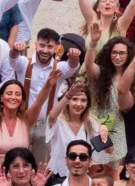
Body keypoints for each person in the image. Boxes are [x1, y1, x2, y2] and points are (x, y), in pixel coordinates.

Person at [0, 72, 61, 186]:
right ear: (1, 98)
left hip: (20, 174)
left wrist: (48, 85)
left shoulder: (26, 120)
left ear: (22, 99)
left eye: (17, 94)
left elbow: (39, 103)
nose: (13, 97)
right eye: (9, 93)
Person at [10, 28, 81, 164]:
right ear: (36, 45)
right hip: (22, 122)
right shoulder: (24, 63)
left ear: (56, 48)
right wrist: (14, 49)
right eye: (42, 45)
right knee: (17, 161)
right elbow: (13, 59)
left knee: (41, 165)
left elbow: (72, 67)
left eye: (50, 47)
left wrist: (74, 57)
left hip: (46, 124)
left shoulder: (59, 67)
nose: (45, 50)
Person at [83, 28, 135, 174]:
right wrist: (93, 44)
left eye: (122, 53)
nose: (117, 56)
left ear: (129, 56)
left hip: (118, 126)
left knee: (112, 171)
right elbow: (89, 66)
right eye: (114, 52)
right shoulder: (102, 73)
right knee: (92, 167)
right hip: (97, 123)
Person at [45, 82, 102, 180]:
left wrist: (104, 132)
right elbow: (52, 116)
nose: (79, 104)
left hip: (81, 176)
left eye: (83, 100)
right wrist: (68, 95)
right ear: (68, 101)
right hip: (58, 176)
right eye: (74, 99)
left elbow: (107, 149)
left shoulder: (91, 122)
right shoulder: (59, 121)